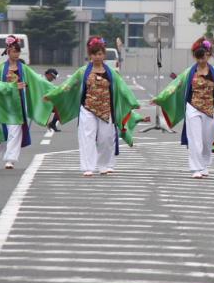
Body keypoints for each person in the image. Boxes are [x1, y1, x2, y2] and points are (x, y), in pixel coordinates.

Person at [152, 36, 214, 179]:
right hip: (193, 108)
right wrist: (160, 98)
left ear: (209, 55)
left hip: (210, 111)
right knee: (195, 140)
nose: (200, 61)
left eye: (203, 57)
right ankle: (196, 168)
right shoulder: (190, 72)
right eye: (198, 58)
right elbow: (176, 84)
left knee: (207, 140)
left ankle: (204, 165)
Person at [44, 36, 144, 177]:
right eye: (94, 54)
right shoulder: (82, 71)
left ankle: (103, 165)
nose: (97, 57)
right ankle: (88, 167)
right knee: (87, 137)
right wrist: (53, 95)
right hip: (87, 108)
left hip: (106, 109)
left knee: (106, 138)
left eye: (100, 54)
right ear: (90, 55)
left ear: (103, 55)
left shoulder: (111, 73)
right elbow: (67, 85)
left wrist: (133, 101)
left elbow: (123, 88)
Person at [0, 35, 55, 169]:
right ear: (8, 51)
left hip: (18, 104)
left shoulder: (24, 68)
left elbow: (39, 81)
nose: (16, 54)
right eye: (14, 51)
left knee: (15, 131)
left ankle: (10, 159)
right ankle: (7, 154)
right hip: (2, 104)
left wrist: (56, 90)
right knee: (5, 132)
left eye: (18, 51)